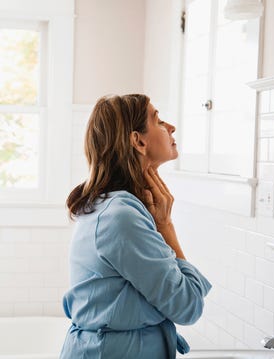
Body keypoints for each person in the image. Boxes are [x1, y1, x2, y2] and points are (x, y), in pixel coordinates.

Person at [60, 94, 211, 359]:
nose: (171, 127)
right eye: (158, 120)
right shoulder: (121, 217)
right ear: (138, 141)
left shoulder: (112, 206)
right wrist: (165, 226)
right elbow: (188, 305)